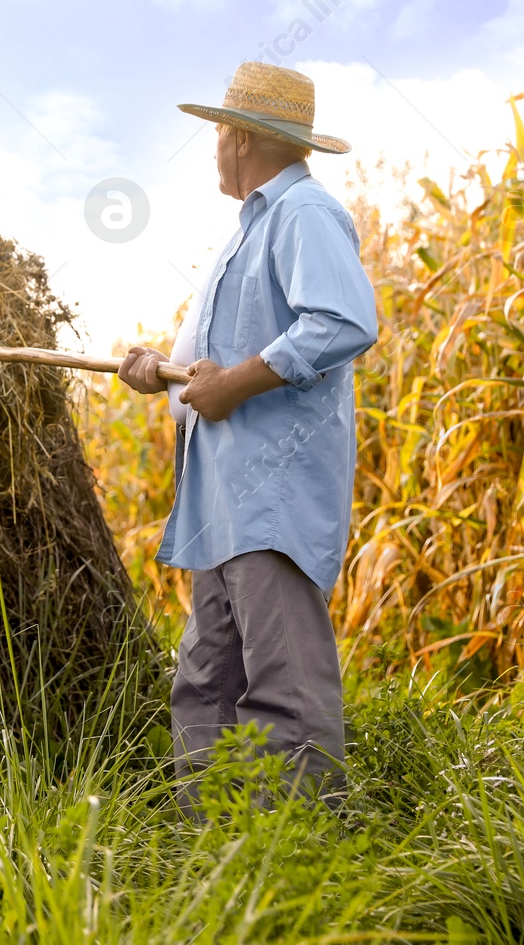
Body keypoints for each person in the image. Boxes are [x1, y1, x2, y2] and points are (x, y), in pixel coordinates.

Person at [117, 62, 378, 809]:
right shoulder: (247, 233)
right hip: (221, 504)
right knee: (206, 684)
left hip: (272, 499)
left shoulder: (304, 214)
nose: (212, 149)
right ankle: (214, 855)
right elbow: (206, 366)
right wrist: (156, 369)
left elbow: (342, 322)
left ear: (243, 137)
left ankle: (304, 863)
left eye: (217, 134)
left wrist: (233, 384)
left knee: (284, 691)